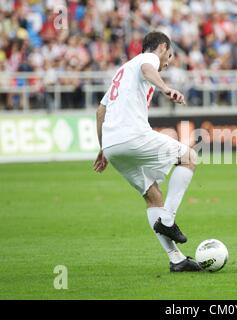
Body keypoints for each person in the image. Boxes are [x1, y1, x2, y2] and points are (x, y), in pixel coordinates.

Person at [93, 31, 202, 272]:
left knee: (152, 197)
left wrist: (103, 148)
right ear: (162, 47)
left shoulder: (121, 73)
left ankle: (176, 259)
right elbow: (148, 69)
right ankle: (169, 219)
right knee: (189, 157)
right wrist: (165, 88)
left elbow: (100, 112)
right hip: (133, 136)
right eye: (169, 56)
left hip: (112, 146)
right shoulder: (148, 59)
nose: (167, 63)